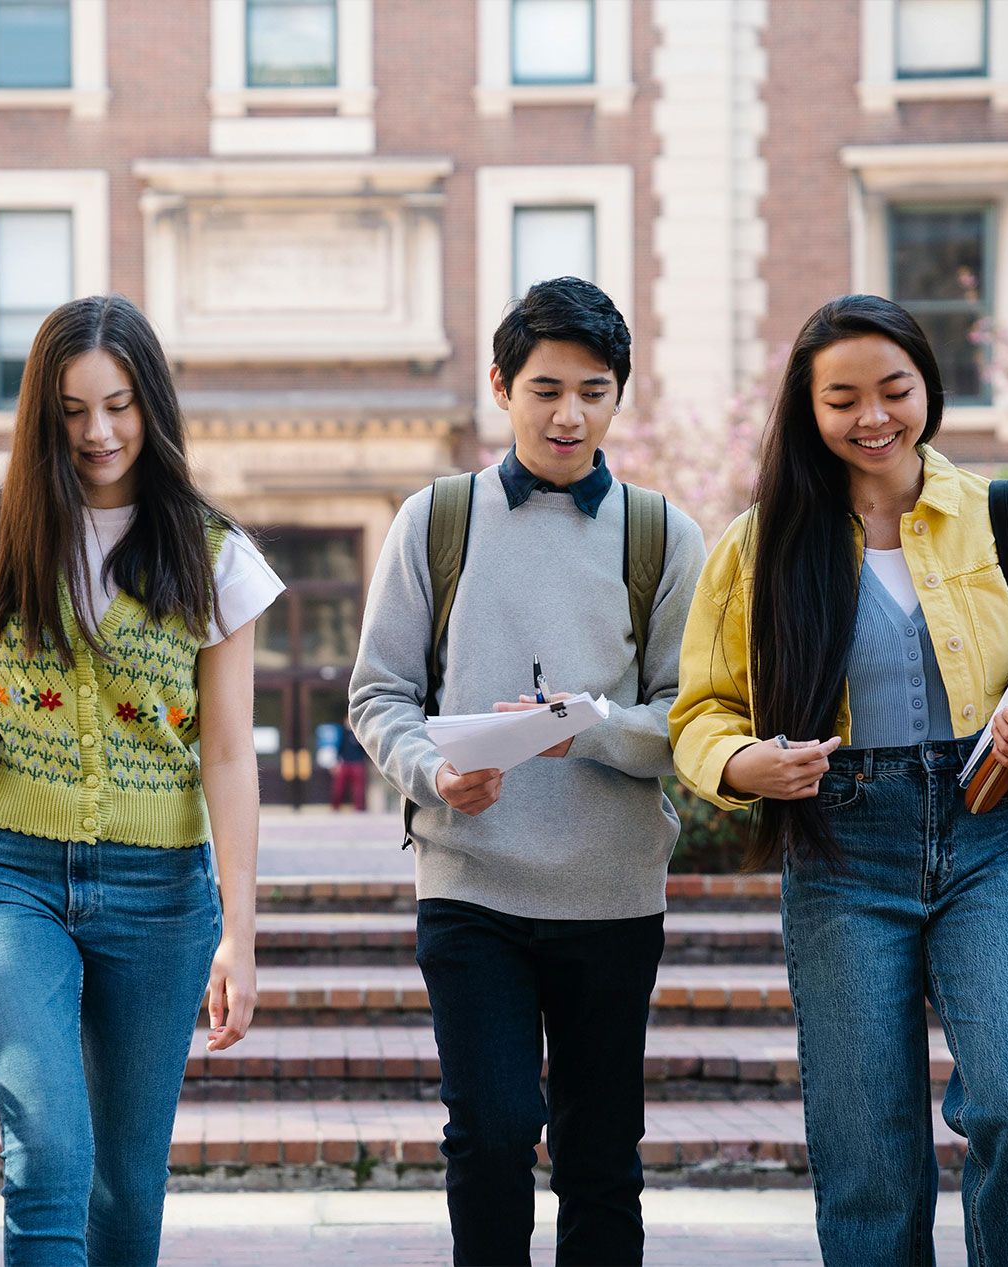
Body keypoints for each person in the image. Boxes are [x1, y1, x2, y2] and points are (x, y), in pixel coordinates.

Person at [669, 294, 1008, 1266]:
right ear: (808, 410)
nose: (872, 415)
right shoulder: (758, 546)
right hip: (840, 850)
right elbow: (701, 710)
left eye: (894, 388)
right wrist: (740, 762)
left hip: (989, 837)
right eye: (841, 398)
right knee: (869, 1165)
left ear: (928, 382)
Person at [0, 294, 284, 1267]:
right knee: (50, 1155)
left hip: (162, 897)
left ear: (150, 404)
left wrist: (240, 929)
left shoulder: (213, 554)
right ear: (42, 415)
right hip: (9, 877)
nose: (98, 431)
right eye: (71, 410)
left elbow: (229, 752)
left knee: (125, 1184)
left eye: (117, 405)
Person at [350, 277, 707, 1266]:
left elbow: (693, 717)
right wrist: (433, 772)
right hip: (471, 883)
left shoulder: (662, 534)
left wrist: (583, 730)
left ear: (617, 396)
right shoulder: (435, 521)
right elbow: (376, 694)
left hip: (612, 891)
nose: (568, 412)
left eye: (593, 390)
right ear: (502, 386)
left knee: (600, 1153)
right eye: (545, 387)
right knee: (495, 1129)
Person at [330, 721, 369, 812]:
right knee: (339, 787)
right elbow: (339, 748)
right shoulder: (343, 733)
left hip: (357, 763)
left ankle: (359, 807)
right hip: (345, 762)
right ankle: (335, 807)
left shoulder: (359, 733)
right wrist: (337, 762)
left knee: (358, 788)